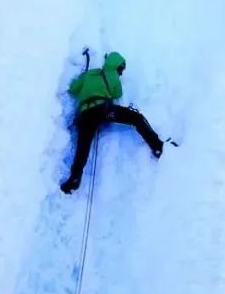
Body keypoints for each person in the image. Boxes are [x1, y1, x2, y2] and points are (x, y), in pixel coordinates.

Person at [60, 49, 163, 193]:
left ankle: (74, 178)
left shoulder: (89, 75)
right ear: (116, 66)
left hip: (85, 115)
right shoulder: (112, 75)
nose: (121, 73)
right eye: (121, 69)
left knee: (82, 148)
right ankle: (157, 145)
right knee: (136, 118)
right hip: (103, 110)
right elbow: (117, 93)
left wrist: (84, 79)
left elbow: (73, 89)